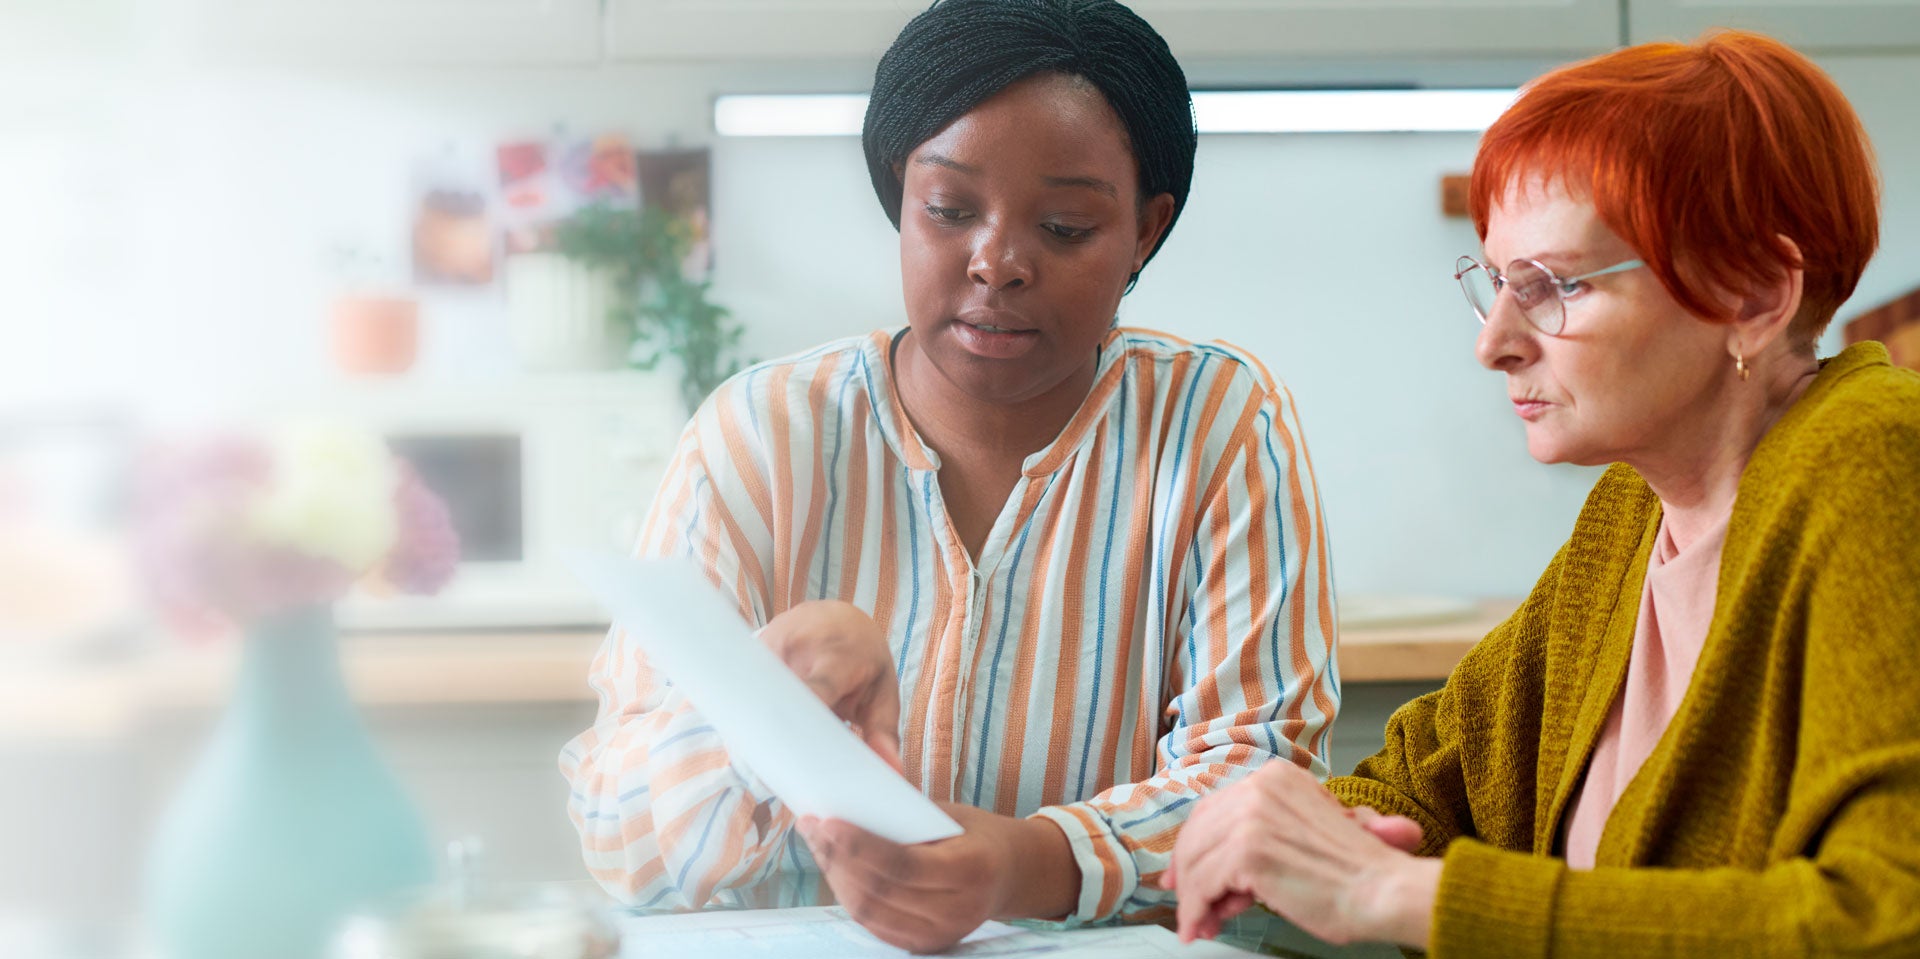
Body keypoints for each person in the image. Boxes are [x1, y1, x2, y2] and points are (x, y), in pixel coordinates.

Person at [560, 1, 1339, 952]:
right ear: (900, 198)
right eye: (949, 210)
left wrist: (1026, 862)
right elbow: (616, 837)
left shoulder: (1216, 422)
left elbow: (1261, 784)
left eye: (1064, 225)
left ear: (1144, 231)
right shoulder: (761, 433)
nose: (997, 263)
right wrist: (768, 706)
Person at [1166, 30, 1920, 956]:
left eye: (1556, 286)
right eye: (1495, 284)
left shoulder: (1878, 458)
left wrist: (1398, 893)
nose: (1497, 342)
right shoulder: (1637, 509)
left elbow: (1885, 921)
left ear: (1756, 295)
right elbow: (1425, 779)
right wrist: (1314, 830)